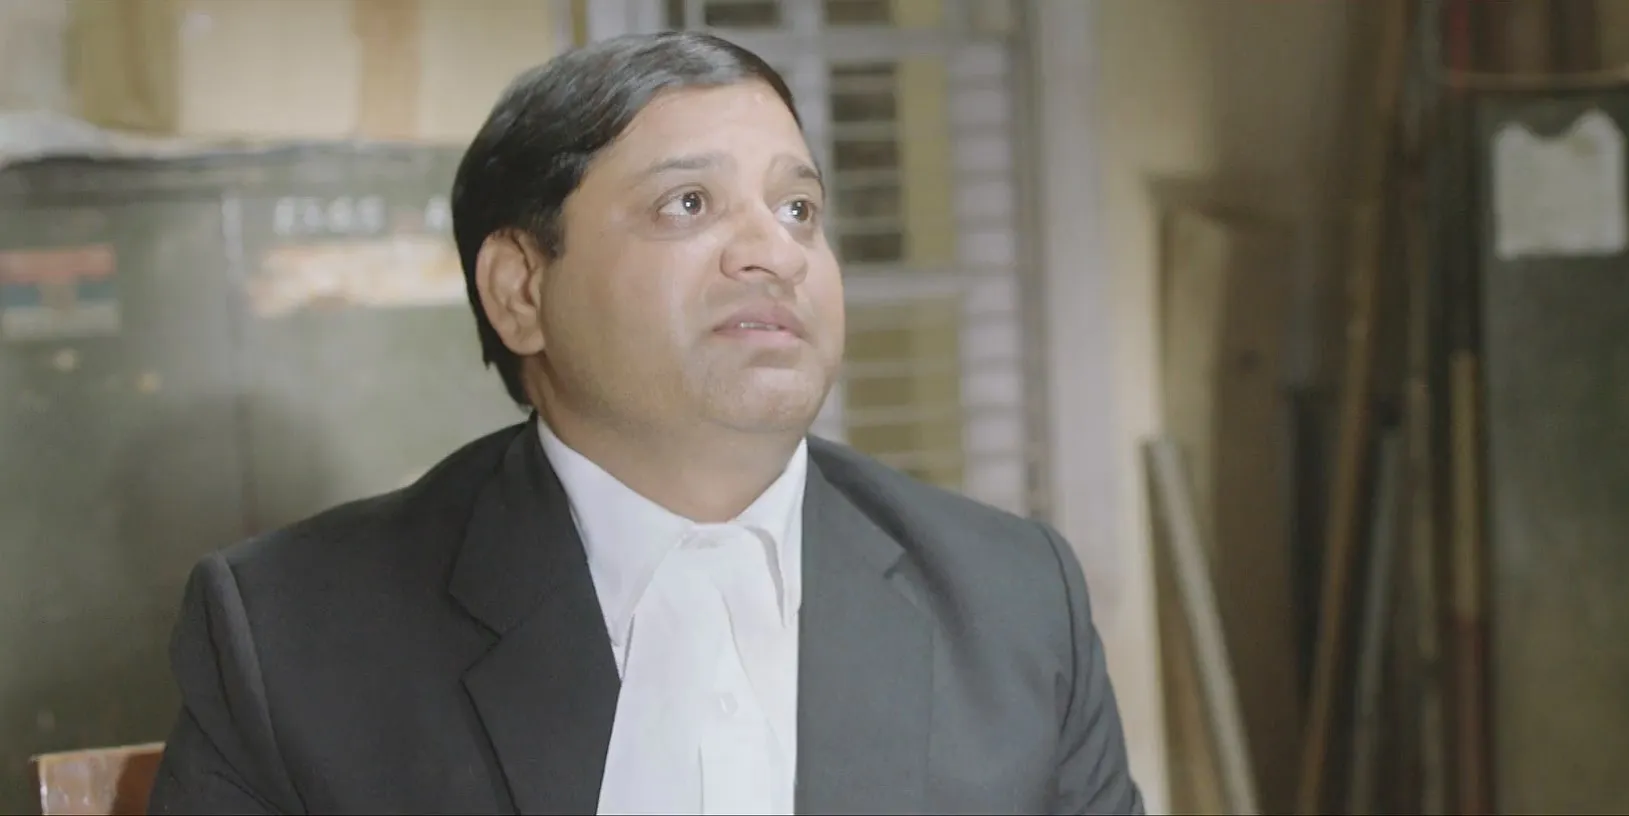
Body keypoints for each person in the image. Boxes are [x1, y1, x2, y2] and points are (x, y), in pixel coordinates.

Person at [148, 30, 1143, 816]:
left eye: (798, 209)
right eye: (689, 203)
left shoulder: (1013, 600)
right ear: (520, 289)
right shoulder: (289, 632)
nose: (774, 252)